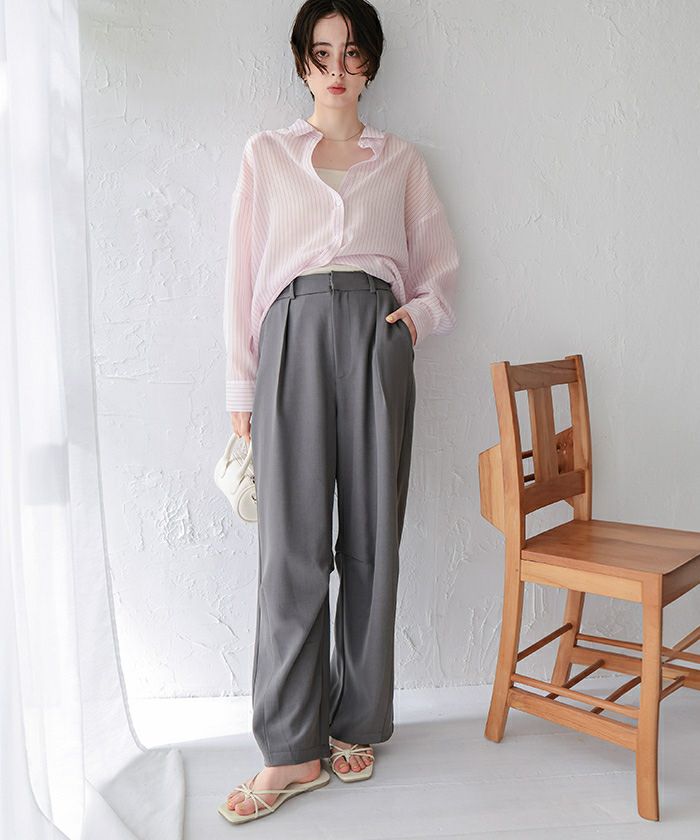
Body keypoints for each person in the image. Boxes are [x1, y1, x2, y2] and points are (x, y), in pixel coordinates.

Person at [221, 0, 459, 823]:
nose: (336, 68)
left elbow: (441, 273)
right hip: (288, 337)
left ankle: (356, 719)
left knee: (369, 541)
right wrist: (240, 389)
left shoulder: (402, 163)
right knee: (290, 548)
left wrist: (408, 325)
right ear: (301, 64)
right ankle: (291, 749)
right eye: (321, 53)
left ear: (370, 66)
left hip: (373, 340)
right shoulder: (266, 155)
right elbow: (241, 279)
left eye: (351, 53)